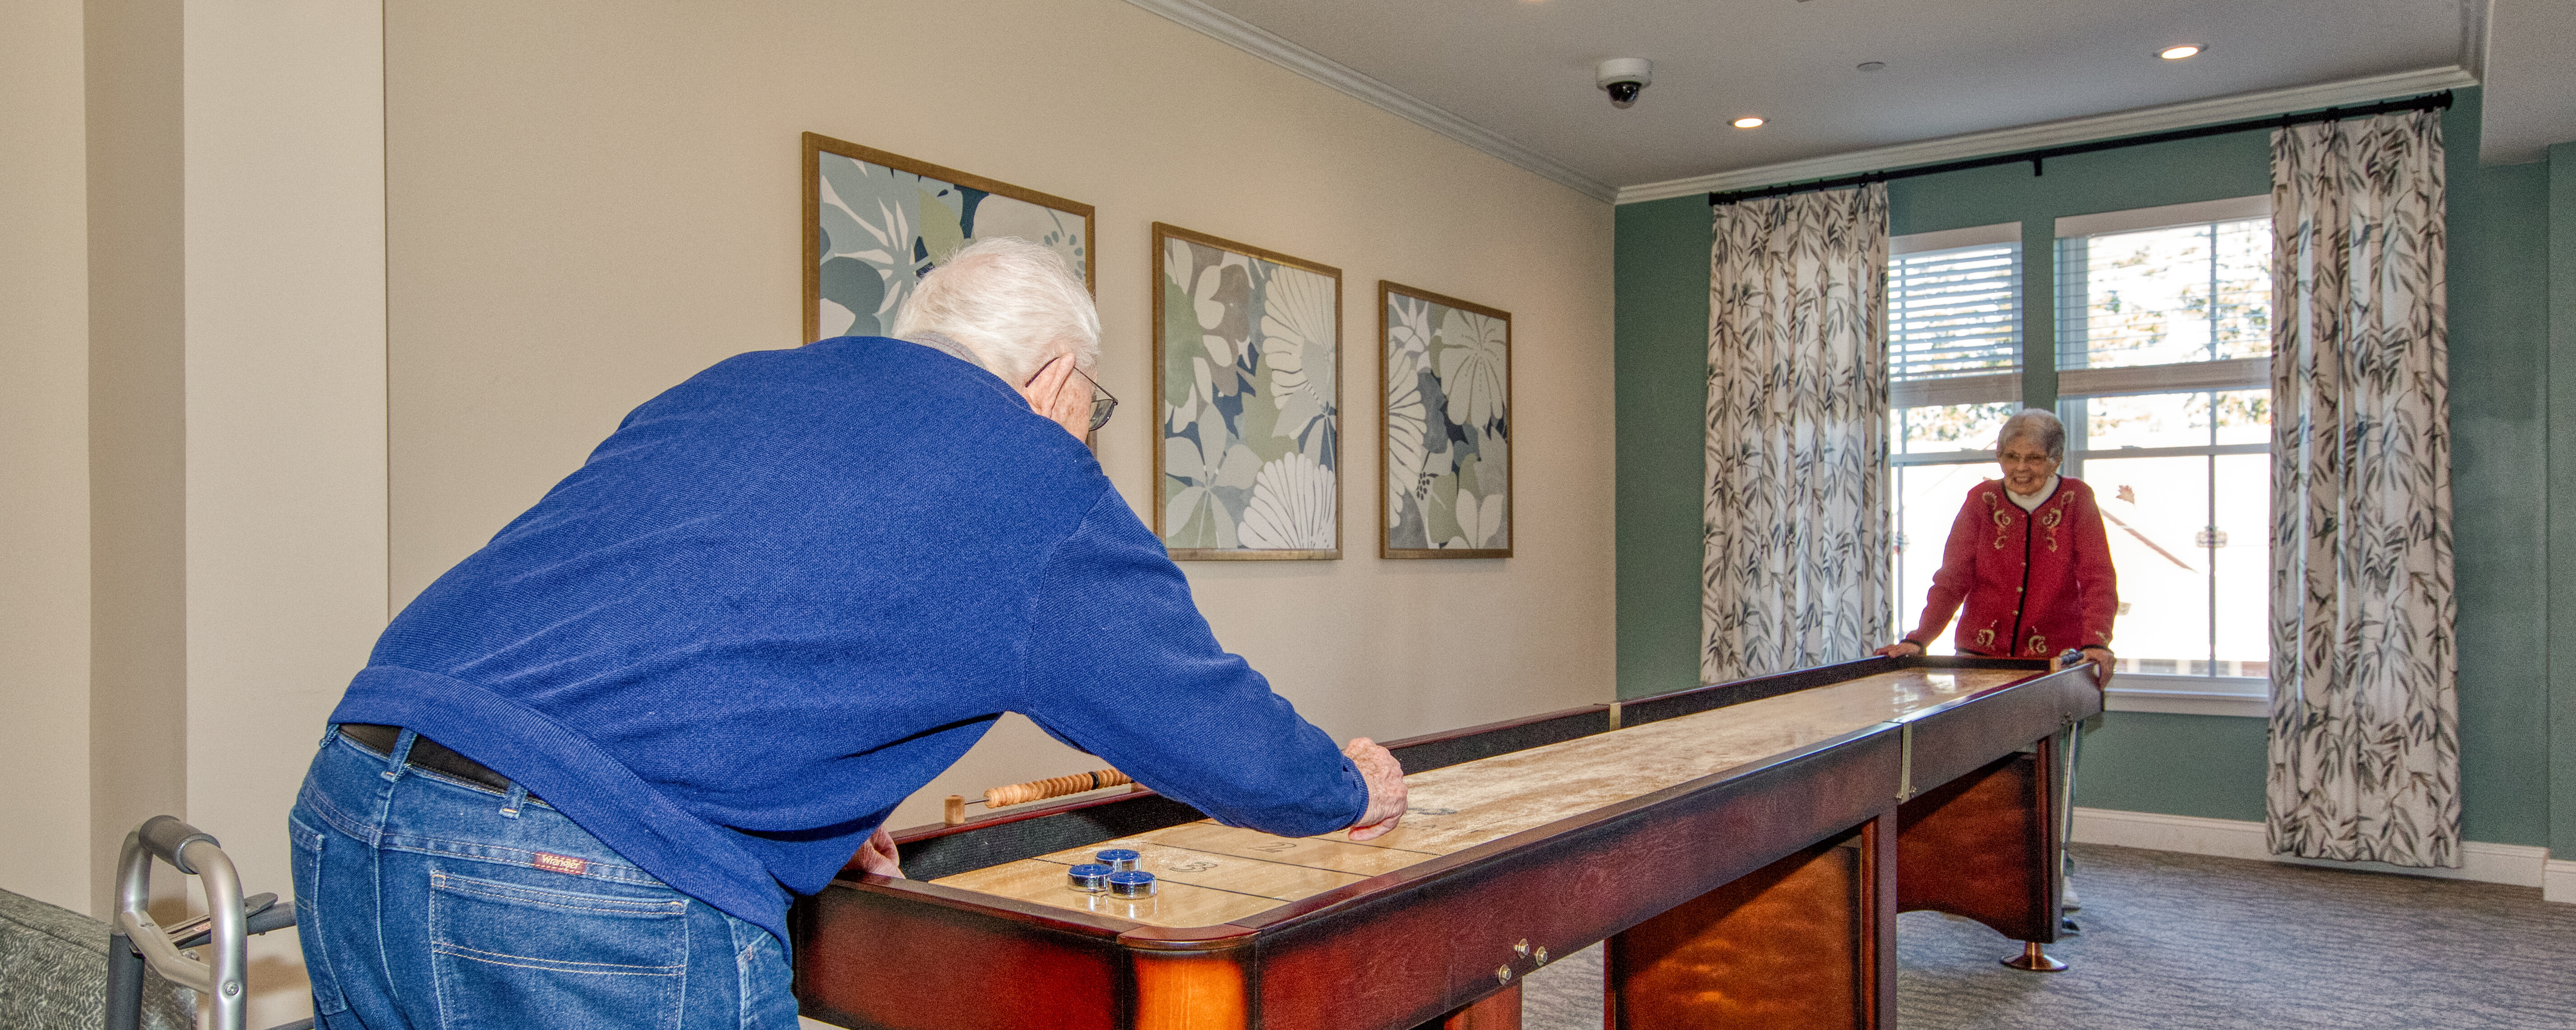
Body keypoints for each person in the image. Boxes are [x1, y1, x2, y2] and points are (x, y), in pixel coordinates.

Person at [288, 237, 1408, 1030]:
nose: (1087, 432)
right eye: (1095, 407)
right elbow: (1202, 720)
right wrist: (1346, 788)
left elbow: (722, 613)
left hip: (349, 803)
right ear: (1059, 379)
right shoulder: (1034, 474)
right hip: (582, 877)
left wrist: (816, 822)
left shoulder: (742, 383)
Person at [1876, 408, 2117, 681]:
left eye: (2035, 458)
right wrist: (1919, 639)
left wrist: (2096, 643)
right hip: (1978, 656)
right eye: (2011, 457)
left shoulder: (2076, 498)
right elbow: (1952, 579)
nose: (2021, 468)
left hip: (2052, 660)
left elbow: (2097, 578)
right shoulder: (1982, 499)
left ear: (2056, 460)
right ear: (1999, 457)